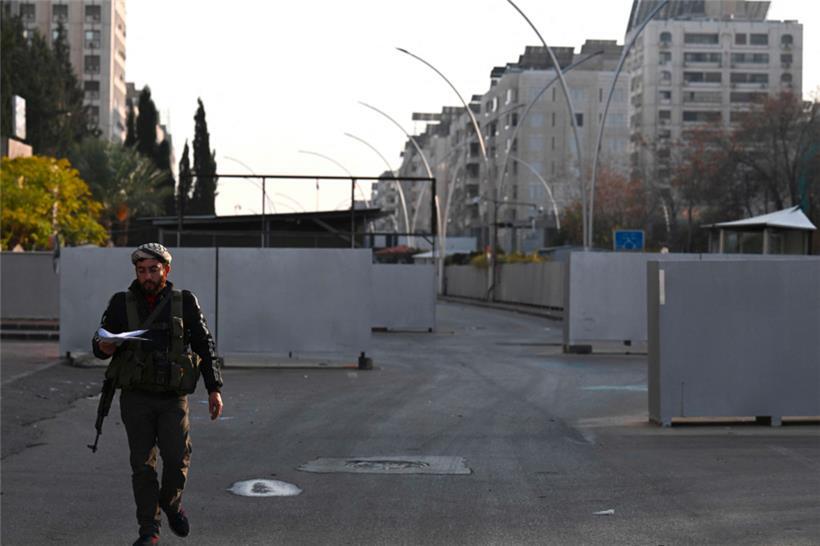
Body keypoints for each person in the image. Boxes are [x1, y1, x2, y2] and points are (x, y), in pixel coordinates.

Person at [92, 242, 224, 546]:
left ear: (166, 269)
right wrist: (104, 346)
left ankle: (172, 503)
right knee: (142, 465)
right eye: (142, 271)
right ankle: (149, 530)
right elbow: (99, 343)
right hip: (136, 397)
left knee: (177, 459)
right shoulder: (119, 303)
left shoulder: (185, 302)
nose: (148, 276)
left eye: (153, 270)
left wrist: (214, 389)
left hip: (172, 397)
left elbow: (206, 346)